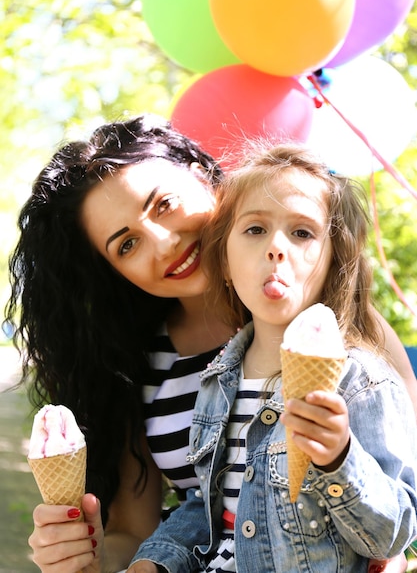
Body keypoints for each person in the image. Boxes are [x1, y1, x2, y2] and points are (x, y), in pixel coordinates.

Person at [4, 116, 415, 573]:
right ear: (114, 273)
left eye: (164, 204)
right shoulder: (136, 364)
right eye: (127, 245)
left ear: (201, 171)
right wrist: (86, 553)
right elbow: (140, 534)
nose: (164, 244)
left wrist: (390, 552)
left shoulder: (329, 329)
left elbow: (400, 476)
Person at [127, 143, 417, 573]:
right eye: (255, 229)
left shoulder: (361, 379)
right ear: (224, 260)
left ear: (334, 259)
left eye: (302, 233)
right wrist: (153, 561)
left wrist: (340, 458)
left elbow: (393, 534)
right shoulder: (218, 379)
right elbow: (209, 509)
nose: (277, 247)